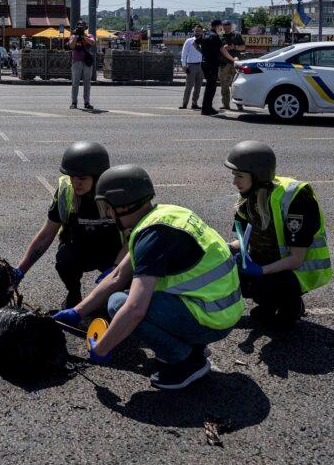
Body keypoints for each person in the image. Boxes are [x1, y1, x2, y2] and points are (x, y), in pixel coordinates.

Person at [54, 165, 243, 390]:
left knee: (119, 304)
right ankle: (192, 345)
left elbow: (135, 309)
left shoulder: (151, 237)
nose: (107, 214)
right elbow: (117, 276)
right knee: (122, 298)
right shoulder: (160, 217)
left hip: (212, 318)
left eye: (108, 207)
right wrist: (77, 312)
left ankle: (186, 361)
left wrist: (101, 348)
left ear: (122, 206)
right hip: (219, 308)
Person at [224, 141, 332, 329]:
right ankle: (269, 302)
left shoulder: (296, 200)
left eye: (239, 176)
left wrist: (259, 271)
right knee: (226, 271)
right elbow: (241, 237)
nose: (234, 182)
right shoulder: (248, 196)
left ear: (257, 176)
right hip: (269, 261)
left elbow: (296, 260)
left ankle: (291, 305)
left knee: (260, 286)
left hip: (299, 271)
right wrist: (223, 250)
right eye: (234, 176)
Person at [13, 142, 122, 309]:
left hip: (113, 252)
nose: (75, 183)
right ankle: (74, 293)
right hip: (80, 249)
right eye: (72, 177)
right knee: (64, 258)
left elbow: (133, 239)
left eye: (82, 178)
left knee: (115, 303)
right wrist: (19, 271)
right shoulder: (66, 192)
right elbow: (46, 234)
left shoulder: (116, 195)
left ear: (98, 176)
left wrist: (117, 270)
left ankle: (108, 294)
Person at [198, 19, 235, 116]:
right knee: (211, 87)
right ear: (217, 26)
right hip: (212, 64)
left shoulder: (204, 34)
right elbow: (223, 50)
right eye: (220, 27)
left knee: (210, 86)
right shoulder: (215, 36)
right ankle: (206, 109)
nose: (221, 29)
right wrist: (233, 59)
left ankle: (207, 107)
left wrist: (203, 53)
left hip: (204, 63)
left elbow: (195, 43)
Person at [68, 20, 96, 110]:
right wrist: (76, 36)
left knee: (87, 83)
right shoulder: (73, 36)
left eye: (82, 26)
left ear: (85, 28)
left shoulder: (89, 35)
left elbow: (93, 42)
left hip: (86, 62)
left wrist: (83, 36)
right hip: (76, 62)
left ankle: (87, 102)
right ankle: (74, 102)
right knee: (75, 83)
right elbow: (71, 46)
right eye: (79, 26)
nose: (80, 27)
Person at [219, 20, 245, 111]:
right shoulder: (220, 36)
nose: (226, 28)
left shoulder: (237, 35)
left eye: (228, 26)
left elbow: (243, 47)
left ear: (231, 26)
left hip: (235, 64)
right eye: (225, 26)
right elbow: (217, 49)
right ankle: (225, 104)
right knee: (224, 86)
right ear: (222, 26)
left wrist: (234, 47)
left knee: (237, 85)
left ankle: (239, 104)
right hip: (224, 64)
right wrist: (224, 48)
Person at [179, 25, 203, 110]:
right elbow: (184, 53)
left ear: (202, 31)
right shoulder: (189, 41)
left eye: (199, 31)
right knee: (189, 86)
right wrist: (184, 65)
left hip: (201, 65)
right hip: (191, 65)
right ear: (194, 31)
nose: (197, 32)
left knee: (198, 87)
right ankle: (184, 104)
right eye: (196, 31)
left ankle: (194, 103)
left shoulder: (204, 41)